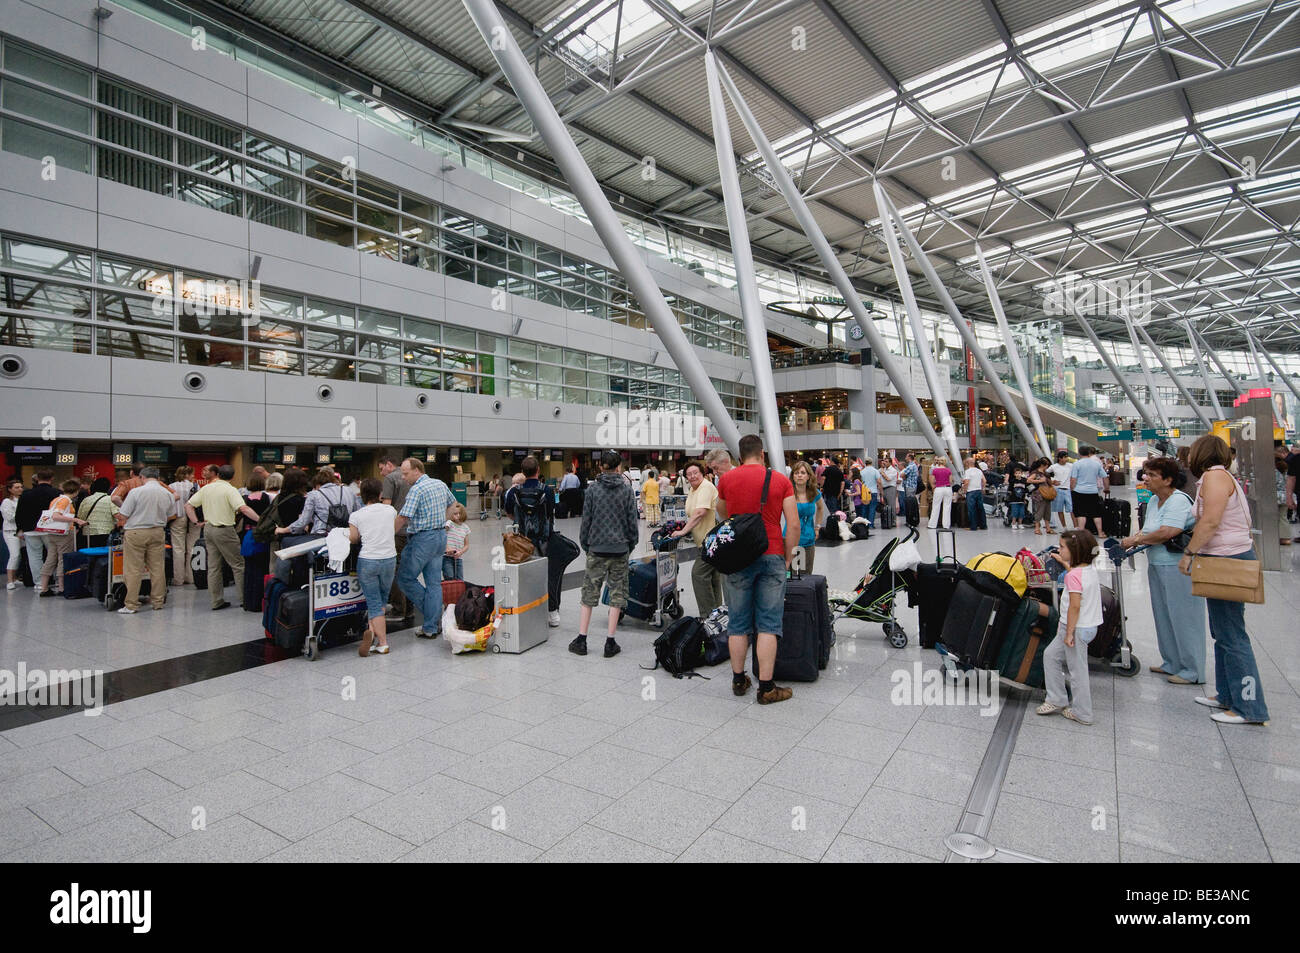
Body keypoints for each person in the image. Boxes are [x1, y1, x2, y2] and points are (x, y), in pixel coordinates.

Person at [1181, 435, 1270, 726]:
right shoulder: (1215, 477)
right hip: (1222, 558)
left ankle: (1248, 707)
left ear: (1202, 454)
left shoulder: (1215, 477)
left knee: (1232, 635)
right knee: (1222, 631)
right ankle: (1227, 694)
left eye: (1193, 450)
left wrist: (1189, 552)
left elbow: (1211, 521)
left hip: (1226, 559)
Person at [718, 434, 799, 705]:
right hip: (772, 553)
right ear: (762, 454)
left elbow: (722, 514)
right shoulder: (779, 480)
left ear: (740, 457)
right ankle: (766, 688)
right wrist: (787, 557)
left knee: (738, 623)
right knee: (768, 623)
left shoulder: (727, 479)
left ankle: (738, 680)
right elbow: (794, 525)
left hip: (738, 558)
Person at [1120, 456, 1204, 685]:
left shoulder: (1177, 500)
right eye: (1146, 474)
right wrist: (1134, 539)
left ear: (1168, 480)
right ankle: (1172, 662)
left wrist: (1136, 541)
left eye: (1152, 475)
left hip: (1177, 566)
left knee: (1184, 617)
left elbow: (1168, 531)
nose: (1145, 478)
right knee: (1164, 615)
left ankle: (1192, 670)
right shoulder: (1155, 502)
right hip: (1157, 563)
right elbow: (1149, 530)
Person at [574, 449, 639, 659]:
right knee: (617, 594)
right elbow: (632, 522)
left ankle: (582, 639)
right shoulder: (627, 490)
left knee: (589, 593)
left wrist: (586, 544)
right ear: (619, 467)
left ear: (601, 466)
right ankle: (610, 642)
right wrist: (630, 545)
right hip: (620, 549)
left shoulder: (592, 490)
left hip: (597, 548)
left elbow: (587, 521)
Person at [1037, 529, 1102, 726]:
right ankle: (1056, 698)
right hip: (1085, 626)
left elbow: (1075, 606)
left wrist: (1069, 633)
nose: (1059, 548)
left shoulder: (1073, 577)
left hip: (1074, 629)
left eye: (1062, 547)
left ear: (1075, 551)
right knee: (1050, 656)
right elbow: (1075, 574)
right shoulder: (1087, 570)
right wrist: (1063, 561)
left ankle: (1083, 713)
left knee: (1077, 670)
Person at [394, 457, 456, 639]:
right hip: (439, 536)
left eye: (405, 474)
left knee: (405, 578)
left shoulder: (417, 489)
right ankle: (430, 626)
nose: (404, 478)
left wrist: (387, 535)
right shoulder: (439, 484)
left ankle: (432, 616)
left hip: (422, 539)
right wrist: (444, 521)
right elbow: (453, 504)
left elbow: (404, 517)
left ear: (416, 470)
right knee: (434, 583)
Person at [186, 465, 260, 611]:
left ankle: (216, 601)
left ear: (218, 474)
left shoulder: (207, 488)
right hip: (224, 530)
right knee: (238, 565)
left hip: (208, 529)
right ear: (232, 477)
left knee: (213, 567)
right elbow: (243, 508)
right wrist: (260, 520)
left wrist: (196, 522)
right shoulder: (230, 489)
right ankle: (244, 599)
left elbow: (188, 505)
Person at [115, 467, 175, 614]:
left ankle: (131, 604)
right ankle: (158, 602)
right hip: (157, 532)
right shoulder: (167, 493)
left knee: (133, 569)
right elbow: (171, 514)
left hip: (136, 532)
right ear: (158, 477)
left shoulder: (136, 492)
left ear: (142, 477)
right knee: (157, 568)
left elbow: (124, 514)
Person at [348, 477, 397, 657]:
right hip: (389, 559)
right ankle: (372, 632)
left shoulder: (357, 515)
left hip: (368, 560)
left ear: (361, 495)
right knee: (381, 600)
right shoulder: (390, 510)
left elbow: (354, 538)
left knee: (374, 602)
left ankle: (383, 643)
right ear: (380, 494)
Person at [670, 460, 723, 616]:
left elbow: (700, 512)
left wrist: (683, 531)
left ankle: (707, 617)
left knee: (698, 574)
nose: (693, 476)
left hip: (712, 542)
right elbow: (692, 513)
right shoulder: (694, 490)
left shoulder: (706, 487)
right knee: (713, 578)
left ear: (702, 473)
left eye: (696, 473)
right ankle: (718, 615)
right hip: (704, 542)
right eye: (689, 474)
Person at [378, 456, 413, 627]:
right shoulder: (412, 477)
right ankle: (411, 607)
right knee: (409, 570)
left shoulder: (390, 479)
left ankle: (399, 608)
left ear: (389, 464)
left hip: (397, 530)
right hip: (412, 530)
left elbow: (386, 507)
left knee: (395, 569)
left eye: (381, 468)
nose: (381, 472)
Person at [38, 479, 86, 596]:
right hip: (64, 533)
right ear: (76, 491)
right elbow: (56, 516)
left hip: (52, 532)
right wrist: (76, 520)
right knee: (63, 559)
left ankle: (44, 588)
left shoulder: (56, 499)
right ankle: (62, 587)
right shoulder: (65, 501)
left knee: (50, 559)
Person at [279, 468, 359, 536]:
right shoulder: (349, 491)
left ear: (317, 484)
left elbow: (303, 521)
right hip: (346, 534)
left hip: (322, 535)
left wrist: (283, 530)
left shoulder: (314, 495)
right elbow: (357, 513)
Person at [16, 470, 59, 590]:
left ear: (37, 479)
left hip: (30, 529)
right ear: (52, 478)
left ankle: (39, 583)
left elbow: (19, 513)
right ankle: (56, 579)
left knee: (34, 556)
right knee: (53, 555)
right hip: (50, 528)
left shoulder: (26, 494)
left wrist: (20, 528)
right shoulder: (57, 493)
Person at [788, 460, 825, 572]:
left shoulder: (814, 493)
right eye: (796, 472)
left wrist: (817, 526)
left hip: (808, 539)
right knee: (791, 576)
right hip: (791, 540)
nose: (799, 475)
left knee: (806, 575)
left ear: (808, 476)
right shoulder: (788, 493)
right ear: (793, 476)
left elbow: (820, 508)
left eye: (803, 473)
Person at [1070, 445, 1109, 538]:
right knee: (1096, 513)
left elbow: (1073, 479)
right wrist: (1107, 488)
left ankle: (1081, 534)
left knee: (1081, 513)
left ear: (1079, 453)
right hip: (1093, 491)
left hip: (1079, 491)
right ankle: (1100, 532)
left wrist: (1072, 488)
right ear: (1089, 453)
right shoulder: (1096, 464)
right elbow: (1105, 477)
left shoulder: (1077, 464)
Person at [167, 467, 197, 585]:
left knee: (178, 549)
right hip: (193, 519)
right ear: (188, 475)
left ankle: (178, 579)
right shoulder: (195, 486)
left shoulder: (171, 486)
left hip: (177, 518)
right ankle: (190, 577)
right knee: (191, 548)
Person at [77, 477, 119, 549]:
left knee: (90, 554)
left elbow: (80, 517)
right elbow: (117, 516)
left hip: (87, 533)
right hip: (105, 532)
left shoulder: (86, 500)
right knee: (103, 555)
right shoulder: (110, 499)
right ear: (108, 488)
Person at [443, 502, 470, 580]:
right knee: (449, 576)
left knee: (460, 579)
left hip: (458, 557)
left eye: (459, 513)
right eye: (455, 513)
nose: (458, 515)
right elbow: (442, 535)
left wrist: (460, 552)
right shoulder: (449, 523)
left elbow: (467, 545)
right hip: (447, 557)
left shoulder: (465, 528)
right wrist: (447, 548)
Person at [3, 479, 21, 590]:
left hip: (21, 532)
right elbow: (9, 517)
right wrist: (21, 513)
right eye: (16, 487)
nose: (20, 489)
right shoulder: (6, 502)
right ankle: (9, 580)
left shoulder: (21, 500)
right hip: (11, 532)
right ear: (10, 489)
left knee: (19, 556)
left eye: (21, 487)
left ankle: (14, 578)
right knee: (14, 555)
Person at [1027, 458, 1053, 535]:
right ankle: (1037, 528)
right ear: (1042, 465)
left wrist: (1053, 482)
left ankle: (1048, 527)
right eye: (1047, 465)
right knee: (1039, 511)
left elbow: (1048, 482)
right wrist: (1039, 481)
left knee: (1047, 511)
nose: (1047, 466)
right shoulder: (1035, 472)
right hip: (1039, 494)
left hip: (1047, 494)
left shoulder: (1046, 473)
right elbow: (1029, 480)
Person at [1049, 450, 1074, 532]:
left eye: (1067, 456)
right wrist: (1052, 481)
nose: (1066, 458)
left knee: (1071, 509)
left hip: (1068, 489)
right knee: (1059, 510)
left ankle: (1076, 526)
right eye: (1065, 457)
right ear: (1060, 458)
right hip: (1058, 489)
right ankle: (1064, 527)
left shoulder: (1071, 466)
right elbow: (1045, 473)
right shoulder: (1054, 467)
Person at [927, 456, 954, 529]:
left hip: (938, 488)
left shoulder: (935, 470)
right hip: (947, 488)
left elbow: (932, 481)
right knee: (947, 507)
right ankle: (946, 525)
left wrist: (933, 488)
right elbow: (951, 481)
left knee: (936, 506)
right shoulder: (948, 470)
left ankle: (932, 525)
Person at [962, 457, 988, 531]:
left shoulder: (968, 471)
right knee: (980, 508)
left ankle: (973, 526)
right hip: (978, 491)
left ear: (967, 463)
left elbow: (966, 482)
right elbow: (984, 481)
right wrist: (982, 488)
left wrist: (964, 490)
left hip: (971, 492)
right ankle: (983, 525)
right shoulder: (979, 471)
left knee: (971, 509)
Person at [860, 456, 882, 526]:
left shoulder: (862, 471)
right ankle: (871, 524)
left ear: (865, 463)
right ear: (871, 463)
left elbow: (860, 482)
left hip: (864, 492)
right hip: (873, 491)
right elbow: (879, 481)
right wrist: (881, 491)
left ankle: (864, 524)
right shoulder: (875, 471)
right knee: (872, 508)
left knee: (864, 508)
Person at [880, 456, 899, 521]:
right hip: (884, 489)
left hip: (890, 488)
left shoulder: (893, 470)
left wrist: (882, 473)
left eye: (886, 462)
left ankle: (893, 520)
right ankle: (887, 520)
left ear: (890, 463)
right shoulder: (884, 469)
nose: (884, 463)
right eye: (884, 461)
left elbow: (888, 479)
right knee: (885, 505)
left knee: (891, 505)